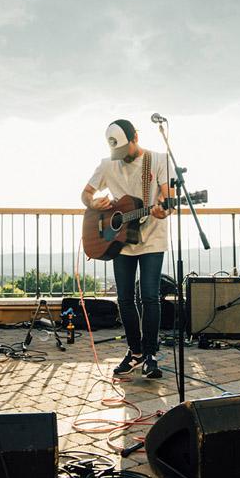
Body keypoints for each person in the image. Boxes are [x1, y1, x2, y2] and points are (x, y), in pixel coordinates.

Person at [81, 119, 172, 379]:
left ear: (136, 137)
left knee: (149, 296)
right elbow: (85, 194)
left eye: (125, 150)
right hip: (118, 239)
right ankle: (135, 352)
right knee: (124, 298)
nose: (122, 158)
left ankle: (151, 354)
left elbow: (167, 195)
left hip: (152, 236)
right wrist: (94, 203)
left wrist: (162, 207)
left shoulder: (158, 160)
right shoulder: (107, 164)